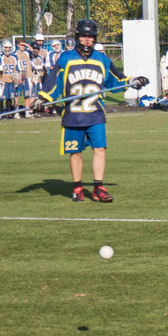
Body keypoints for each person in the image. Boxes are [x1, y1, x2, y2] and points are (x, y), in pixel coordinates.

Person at [33, 19, 148, 202]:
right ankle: (78, 188)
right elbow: (54, 81)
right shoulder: (66, 58)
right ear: (78, 37)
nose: (87, 40)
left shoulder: (102, 59)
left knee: (100, 149)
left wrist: (133, 81)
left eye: (91, 37)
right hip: (73, 115)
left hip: (95, 113)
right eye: (84, 36)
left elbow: (116, 80)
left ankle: (98, 188)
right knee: (75, 152)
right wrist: (42, 98)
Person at [0, 41, 20, 116]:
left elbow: (17, 69)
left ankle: (9, 113)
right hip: (2, 80)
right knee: (1, 97)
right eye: (6, 47)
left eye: (9, 47)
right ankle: (0, 113)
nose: (7, 49)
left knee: (10, 97)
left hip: (11, 80)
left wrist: (17, 78)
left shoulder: (14, 57)